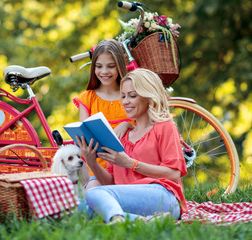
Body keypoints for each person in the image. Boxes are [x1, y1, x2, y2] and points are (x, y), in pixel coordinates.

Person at [76, 68, 188, 223]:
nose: (125, 101)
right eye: (123, 96)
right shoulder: (121, 136)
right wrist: (92, 162)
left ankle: (120, 219)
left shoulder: (164, 127)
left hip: (163, 196)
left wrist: (130, 163)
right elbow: (111, 184)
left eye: (132, 96)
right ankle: (141, 221)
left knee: (93, 194)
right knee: (79, 207)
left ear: (149, 97)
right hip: (129, 199)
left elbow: (173, 174)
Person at [72, 39, 134, 190]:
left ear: (119, 66)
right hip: (99, 171)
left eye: (111, 66)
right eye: (99, 66)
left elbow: (145, 128)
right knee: (94, 196)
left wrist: (127, 125)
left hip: (129, 168)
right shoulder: (87, 99)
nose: (104, 72)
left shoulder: (130, 94)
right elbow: (83, 137)